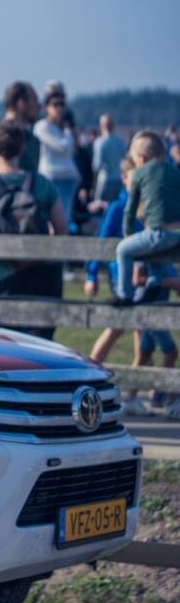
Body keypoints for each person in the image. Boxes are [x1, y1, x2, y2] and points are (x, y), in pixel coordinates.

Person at [85, 157, 176, 415]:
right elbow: (100, 242)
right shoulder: (119, 207)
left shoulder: (151, 207)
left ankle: (133, 394)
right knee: (117, 330)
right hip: (124, 279)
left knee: (142, 342)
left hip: (145, 281)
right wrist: (91, 274)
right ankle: (90, 376)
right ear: (125, 178)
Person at [0, 121, 67, 340]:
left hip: (4, 275)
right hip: (44, 275)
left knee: (8, 343)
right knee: (42, 345)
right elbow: (62, 230)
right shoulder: (42, 183)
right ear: (21, 149)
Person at [115, 131, 180, 302]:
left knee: (123, 250)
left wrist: (128, 234)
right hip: (177, 233)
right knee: (152, 248)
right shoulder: (174, 171)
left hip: (159, 232)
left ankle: (124, 295)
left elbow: (130, 210)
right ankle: (154, 282)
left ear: (141, 158)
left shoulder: (139, 173)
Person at [34, 91, 79, 231]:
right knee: (52, 222)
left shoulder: (63, 129)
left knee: (65, 220)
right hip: (51, 177)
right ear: (46, 107)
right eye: (55, 104)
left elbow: (73, 149)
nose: (59, 108)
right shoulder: (42, 126)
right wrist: (67, 132)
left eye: (62, 104)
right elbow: (63, 148)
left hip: (68, 179)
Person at [92, 113, 127, 203]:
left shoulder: (100, 142)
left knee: (102, 209)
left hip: (105, 181)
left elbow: (97, 165)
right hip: (119, 180)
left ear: (101, 126)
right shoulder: (121, 141)